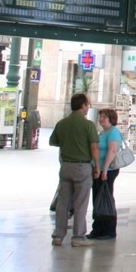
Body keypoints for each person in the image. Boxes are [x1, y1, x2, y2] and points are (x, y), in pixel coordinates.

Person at [49, 93, 99, 247]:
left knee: (63, 202)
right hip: (82, 167)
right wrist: (97, 165)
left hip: (65, 167)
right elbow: (94, 146)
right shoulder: (88, 125)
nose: (88, 107)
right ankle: (78, 237)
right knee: (80, 202)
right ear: (83, 105)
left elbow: (54, 141)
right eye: (87, 105)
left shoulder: (62, 123)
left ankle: (58, 235)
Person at [88, 108, 122, 240]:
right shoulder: (103, 132)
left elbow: (112, 151)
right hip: (99, 169)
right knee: (97, 198)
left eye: (104, 117)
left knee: (106, 198)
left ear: (111, 119)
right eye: (100, 117)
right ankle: (98, 228)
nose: (101, 119)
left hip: (108, 170)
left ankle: (108, 230)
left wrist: (105, 169)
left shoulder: (113, 132)